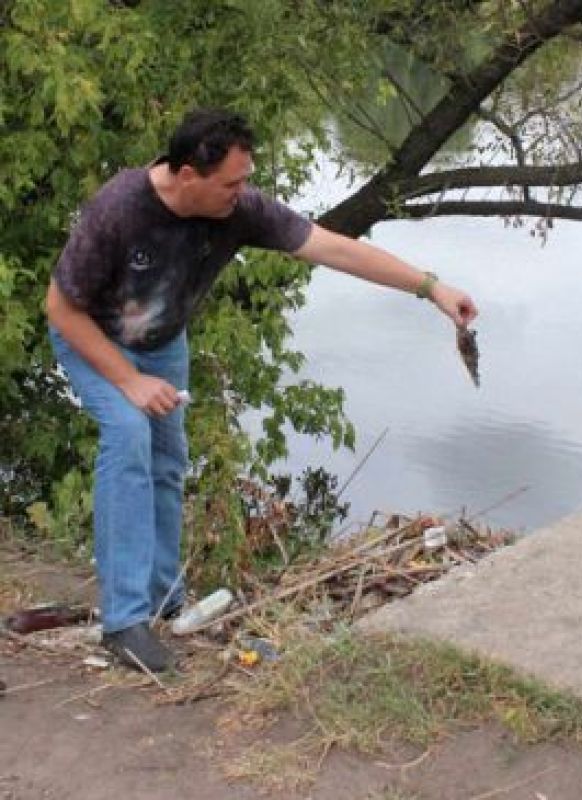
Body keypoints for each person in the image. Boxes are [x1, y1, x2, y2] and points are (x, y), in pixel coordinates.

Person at [45, 109, 478, 672]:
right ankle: (124, 623)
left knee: (168, 461)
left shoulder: (238, 210)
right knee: (128, 435)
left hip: (161, 345)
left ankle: (164, 598)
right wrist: (127, 380)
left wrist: (430, 287)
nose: (242, 191)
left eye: (245, 178)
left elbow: (336, 249)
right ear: (185, 176)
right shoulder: (118, 210)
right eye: (231, 182)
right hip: (91, 337)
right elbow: (61, 308)